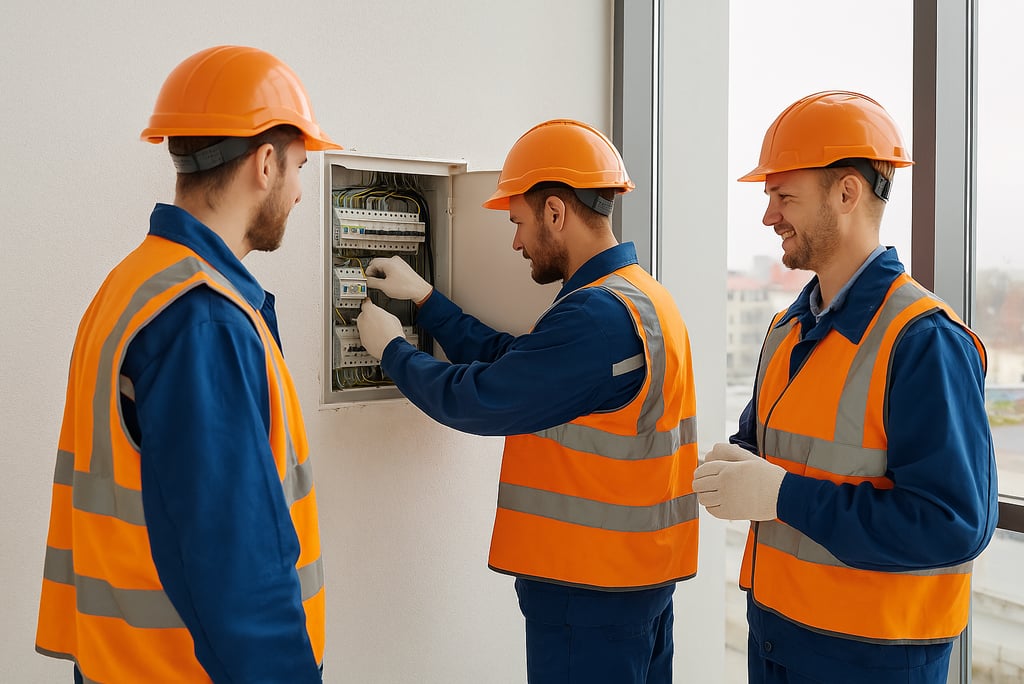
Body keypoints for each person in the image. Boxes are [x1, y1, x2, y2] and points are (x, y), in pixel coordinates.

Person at [35, 45, 340, 683]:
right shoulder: (204, 320)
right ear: (264, 164)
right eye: (300, 167)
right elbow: (240, 565)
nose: (302, 191)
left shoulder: (134, 283)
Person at [355, 119, 699, 683]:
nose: (515, 242)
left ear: (556, 213)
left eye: (518, 222)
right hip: (635, 585)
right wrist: (426, 301)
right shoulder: (641, 297)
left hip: (586, 600)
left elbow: (482, 399)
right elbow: (522, 363)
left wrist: (391, 350)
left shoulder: (595, 316)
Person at [692, 91, 998, 683]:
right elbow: (781, 452)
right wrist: (741, 464)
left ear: (847, 193)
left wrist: (780, 495)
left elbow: (952, 524)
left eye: (784, 197)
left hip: (872, 659)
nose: (768, 215)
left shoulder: (922, 341)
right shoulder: (787, 329)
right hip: (778, 639)